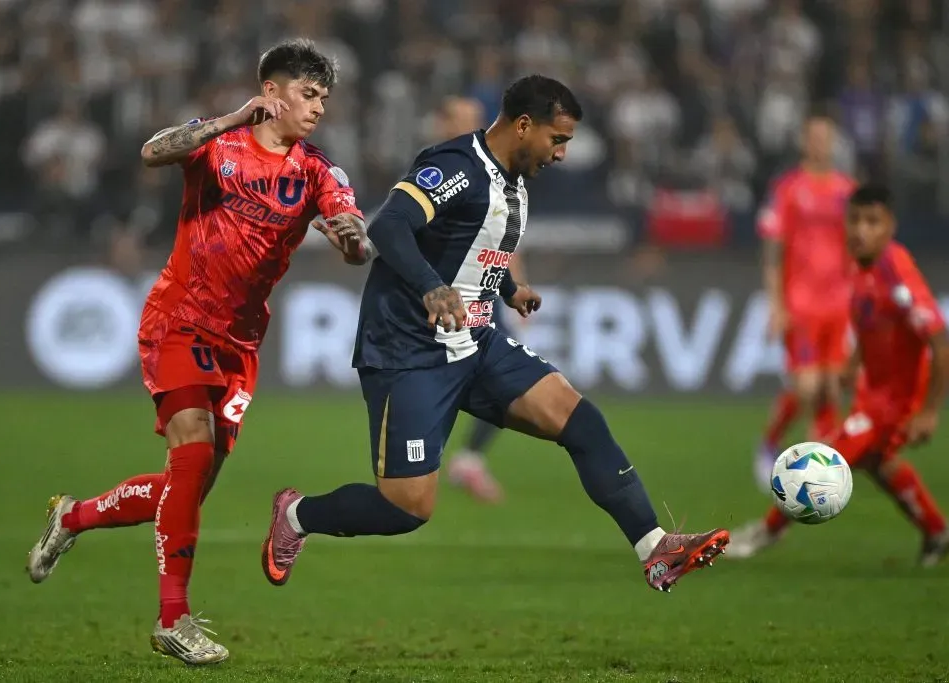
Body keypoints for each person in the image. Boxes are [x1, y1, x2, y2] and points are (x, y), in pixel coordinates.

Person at [260, 75, 729, 594]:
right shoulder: (456, 166)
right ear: (524, 125)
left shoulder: (514, 180)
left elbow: (467, 240)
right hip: (410, 351)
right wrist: (432, 287)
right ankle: (298, 515)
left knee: (581, 421)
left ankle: (655, 549)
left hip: (475, 342)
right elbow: (390, 226)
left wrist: (506, 286)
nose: (561, 154)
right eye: (557, 139)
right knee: (405, 508)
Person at [26, 40, 369, 665]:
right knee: (191, 454)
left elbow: (355, 241)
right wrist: (232, 117)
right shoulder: (219, 142)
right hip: (180, 320)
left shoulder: (318, 171)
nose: (319, 107)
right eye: (308, 93)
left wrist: (351, 240)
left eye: (324, 97)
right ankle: (173, 619)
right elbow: (153, 150)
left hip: (240, 343)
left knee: (186, 487)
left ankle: (72, 517)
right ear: (273, 92)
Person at [730, 184, 949, 566]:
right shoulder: (861, 268)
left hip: (895, 402)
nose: (861, 230)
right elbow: (872, 323)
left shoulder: (897, 275)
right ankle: (937, 533)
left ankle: (767, 531)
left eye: (872, 222)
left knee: (822, 459)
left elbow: (940, 344)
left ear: (890, 226)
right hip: (872, 392)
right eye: (855, 220)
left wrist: (929, 412)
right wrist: (853, 363)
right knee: (879, 464)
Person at [433, 95, 528, 503]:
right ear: (442, 124)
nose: (472, 126)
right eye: (462, 118)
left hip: (484, 298)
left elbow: (504, 241)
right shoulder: (432, 172)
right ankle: (427, 465)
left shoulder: (494, 170)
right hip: (441, 299)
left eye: (476, 119)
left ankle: (468, 459)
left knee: (509, 383)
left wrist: (516, 288)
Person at [754, 116, 857, 491]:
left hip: (839, 304)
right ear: (804, 141)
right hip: (800, 303)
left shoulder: (848, 190)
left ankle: (824, 463)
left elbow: (858, 250)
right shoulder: (788, 189)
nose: (819, 143)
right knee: (807, 387)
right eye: (813, 137)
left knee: (832, 386)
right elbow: (773, 250)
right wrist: (775, 304)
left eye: (825, 137)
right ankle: (769, 443)